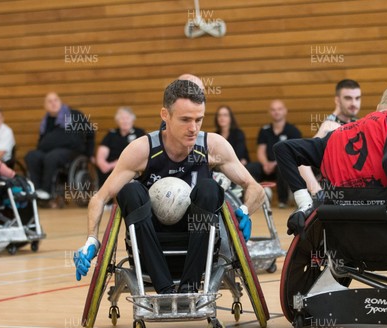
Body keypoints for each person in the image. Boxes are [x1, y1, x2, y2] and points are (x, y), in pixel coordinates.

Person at [73, 78, 265, 294]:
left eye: (199, 119)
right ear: (165, 115)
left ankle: (189, 288)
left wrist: (245, 210)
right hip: (152, 242)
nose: (193, 128)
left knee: (210, 189)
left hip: (197, 242)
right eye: (185, 120)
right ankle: (165, 289)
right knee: (130, 191)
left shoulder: (212, 146)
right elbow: (100, 197)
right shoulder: (141, 150)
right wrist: (91, 240)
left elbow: (255, 187)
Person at [274, 83, 387, 263]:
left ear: (379, 107)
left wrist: (304, 203)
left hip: (347, 231)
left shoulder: (337, 133)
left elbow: (283, 149)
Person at [24, 92, 95, 201]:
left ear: (60, 101)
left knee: (52, 157)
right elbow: (41, 142)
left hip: (72, 152)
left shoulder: (74, 115)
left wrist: (89, 154)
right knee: (32, 155)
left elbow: (90, 133)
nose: (53, 103)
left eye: (55, 100)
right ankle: (37, 190)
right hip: (50, 151)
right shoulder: (46, 121)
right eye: (50, 101)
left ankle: (47, 191)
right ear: (45, 106)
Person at [300, 79, 362, 194]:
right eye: (348, 98)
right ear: (337, 100)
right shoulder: (329, 126)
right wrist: (316, 191)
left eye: (357, 98)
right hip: (335, 193)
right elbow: (302, 161)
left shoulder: (357, 122)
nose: (354, 103)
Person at [247, 100, 301, 208]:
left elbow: (293, 154)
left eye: (279, 109)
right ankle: (253, 198)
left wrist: (276, 163)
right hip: (266, 166)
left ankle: (283, 201)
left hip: (282, 165)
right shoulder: (264, 130)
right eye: (273, 110)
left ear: (285, 111)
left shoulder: (293, 131)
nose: (276, 112)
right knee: (250, 168)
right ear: (270, 112)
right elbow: (261, 150)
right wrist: (266, 163)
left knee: (283, 167)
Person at [95, 107, 145, 187]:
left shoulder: (139, 133)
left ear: (132, 119)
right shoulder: (111, 134)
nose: (125, 121)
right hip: (109, 168)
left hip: (129, 166)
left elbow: (140, 154)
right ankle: (104, 198)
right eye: (122, 118)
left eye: (127, 118)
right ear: (117, 121)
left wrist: (115, 164)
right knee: (100, 171)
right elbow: (102, 150)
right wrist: (102, 162)